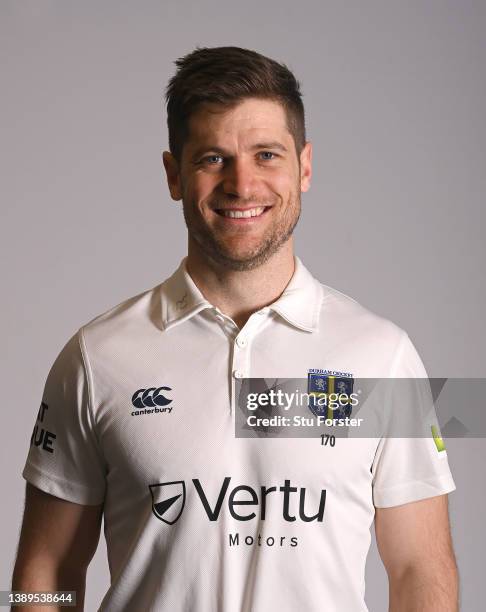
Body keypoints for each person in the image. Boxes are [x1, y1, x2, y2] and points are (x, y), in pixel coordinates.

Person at [12, 46, 458, 611]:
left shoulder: (382, 355)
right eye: (213, 159)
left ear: (306, 166)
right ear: (174, 175)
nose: (242, 185)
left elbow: (421, 566)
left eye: (267, 155)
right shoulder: (95, 357)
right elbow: (44, 568)